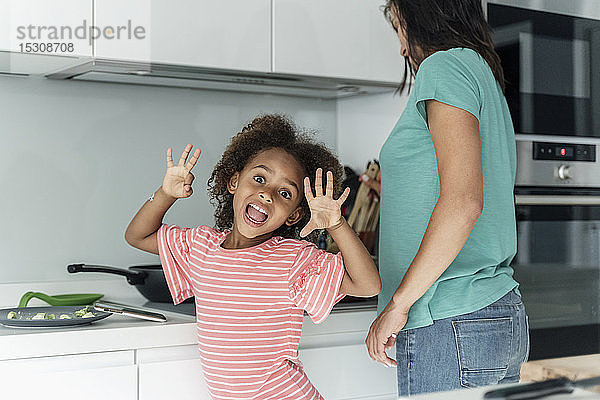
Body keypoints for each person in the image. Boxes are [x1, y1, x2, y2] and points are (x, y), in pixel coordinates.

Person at [125, 114, 381, 400]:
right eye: (259, 178)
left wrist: (337, 224)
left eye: (285, 192)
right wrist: (165, 194)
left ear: (294, 214)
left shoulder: (293, 260)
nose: (267, 194)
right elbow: (137, 236)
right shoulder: (201, 246)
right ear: (234, 181)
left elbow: (367, 285)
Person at [363, 0, 529, 396]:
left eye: (400, 29)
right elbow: (466, 187)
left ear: (422, 16)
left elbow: (463, 203)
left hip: (449, 316)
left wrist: (399, 303)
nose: (402, 48)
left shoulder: (443, 67)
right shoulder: (480, 73)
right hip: (491, 315)